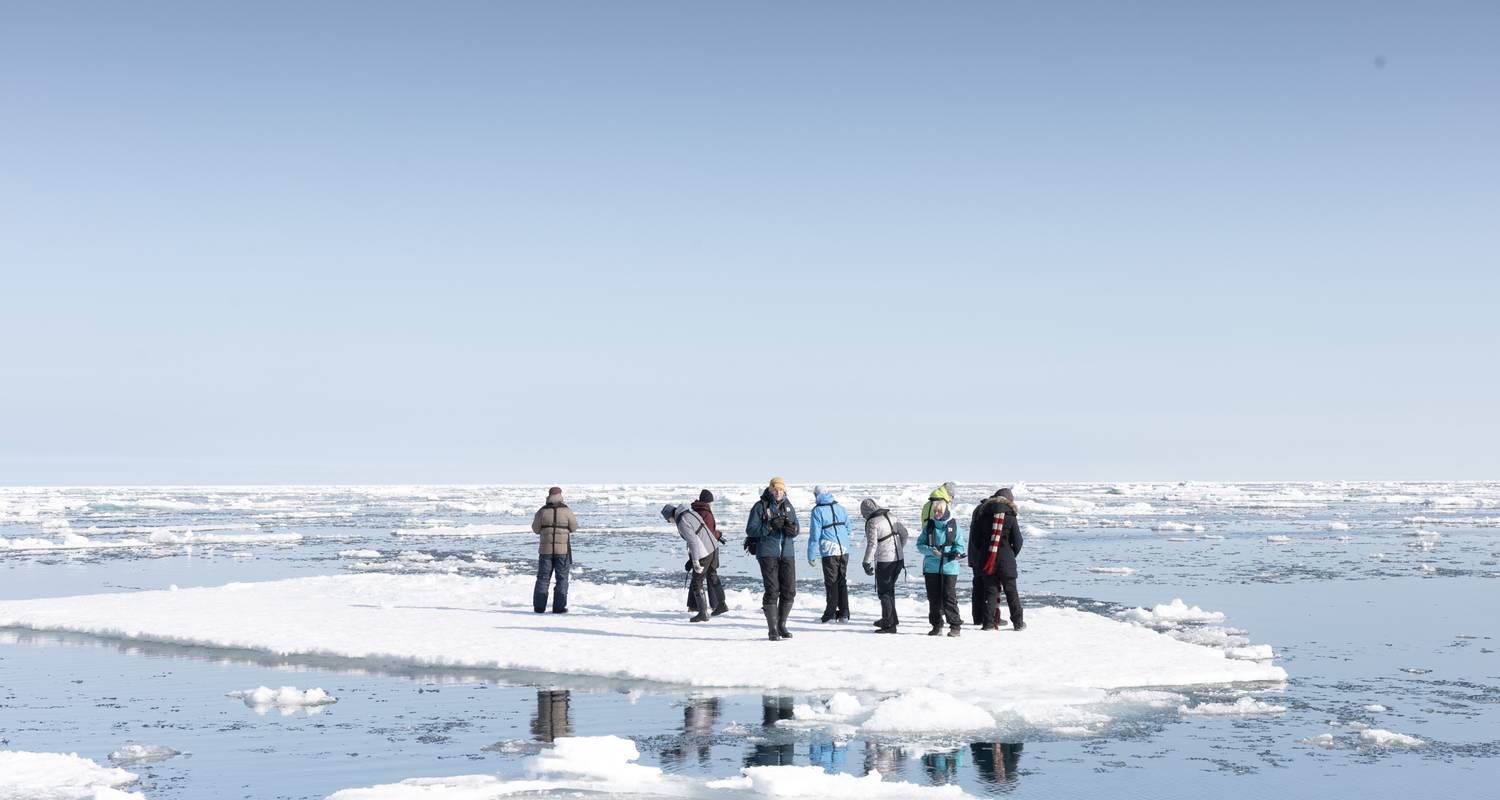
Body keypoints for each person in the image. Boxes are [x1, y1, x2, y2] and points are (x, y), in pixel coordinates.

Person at [745, 476, 799, 641]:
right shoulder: (760, 506)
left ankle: (782, 624)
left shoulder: (788, 506)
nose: (778, 492)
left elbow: (797, 528)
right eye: (775, 489)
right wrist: (769, 526)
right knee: (772, 590)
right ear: (770, 490)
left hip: (787, 553)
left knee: (789, 590)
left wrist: (792, 530)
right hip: (768, 553)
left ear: (784, 491)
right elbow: (751, 529)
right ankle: (772, 629)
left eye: (781, 489)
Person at [968, 487, 1025, 630]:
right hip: (1006, 560)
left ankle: (988, 624)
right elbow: (1018, 541)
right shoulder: (1011, 517)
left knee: (991, 592)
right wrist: (1010, 555)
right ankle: (1018, 623)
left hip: (987, 560)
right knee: (1012, 592)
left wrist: (984, 553)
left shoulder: (983, 514)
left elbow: (975, 540)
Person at [661, 501, 722, 622]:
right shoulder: (690, 513)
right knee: (711, 576)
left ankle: (703, 613)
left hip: (704, 552)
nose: (670, 523)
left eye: (668, 521)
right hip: (713, 547)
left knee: (696, 582)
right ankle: (721, 604)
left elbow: (693, 541)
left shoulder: (682, 521)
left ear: (670, 516)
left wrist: (695, 561)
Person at [915, 495, 965, 636]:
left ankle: (955, 626)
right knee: (933, 597)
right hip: (931, 567)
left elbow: (961, 545)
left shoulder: (954, 526)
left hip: (949, 567)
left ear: (945, 511)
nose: (937, 514)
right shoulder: (929, 526)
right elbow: (919, 545)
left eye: (939, 511)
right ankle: (937, 625)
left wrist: (956, 553)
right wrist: (932, 551)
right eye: (935, 511)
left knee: (949, 596)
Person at [860, 498, 909, 633]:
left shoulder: (872, 522)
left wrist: (866, 562)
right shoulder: (891, 516)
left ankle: (889, 625)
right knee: (890, 590)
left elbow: (872, 544)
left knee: (884, 593)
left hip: (885, 562)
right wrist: (899, 549)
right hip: (899, 560)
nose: (864, 517)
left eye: (863, 514)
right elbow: (905, 534)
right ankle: (891, 619)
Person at [807, 486, 853, 623]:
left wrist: (811, 555)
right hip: (844, 549)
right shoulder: (841, 508)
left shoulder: (817, 510)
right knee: (841, 581)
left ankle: (831, 614)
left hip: (829, 550)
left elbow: (815, 535)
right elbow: (849, 529)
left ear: (816, 495)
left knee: (831, 582)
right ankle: (844, 614)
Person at [530, 486, 578, 614]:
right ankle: (559, 608)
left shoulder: (542, 511)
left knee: (543, 578)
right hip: (562, 551)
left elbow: (535, 529)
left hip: (545, 551)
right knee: (562, 578)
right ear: (560, 495)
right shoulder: (567, 510)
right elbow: (574, 527)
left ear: (549, 495)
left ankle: (539, 607)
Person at [685, 490, 729, 617]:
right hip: (707, 550)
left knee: (699, 575)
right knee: (708, 575)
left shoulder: (695, 512)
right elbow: (709, 533)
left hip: (698, 549)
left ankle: (695, 606)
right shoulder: (706, 514)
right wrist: (718, 535)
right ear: (708, 502)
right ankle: (717, 605)